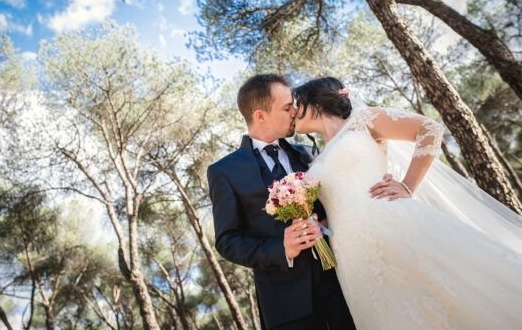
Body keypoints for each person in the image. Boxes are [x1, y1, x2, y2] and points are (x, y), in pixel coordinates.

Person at [293, 76, 522, 330]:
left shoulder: (362, 119)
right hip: (352, 254)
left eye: (296, 104)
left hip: (394, 227)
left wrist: (407, 185)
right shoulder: (316, 156)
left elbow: (430, 129)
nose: (292, 112)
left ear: (316, 101)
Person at [207, 74, 355, 329]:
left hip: (342, 288)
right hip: (286, 306)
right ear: (260, 115)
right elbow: (227, 240)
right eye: (287, 108)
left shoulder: (308, 154)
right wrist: (281, 249)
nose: (295, 112)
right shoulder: (224, 171)